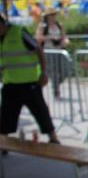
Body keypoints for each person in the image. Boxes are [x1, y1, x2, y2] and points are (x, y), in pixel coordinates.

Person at [0, 14, 59, 143]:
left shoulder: (19, 32)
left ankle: (53, 138)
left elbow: (39, 50)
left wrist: (43, 73)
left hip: (29, 83)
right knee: (5, 116)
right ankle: (3, 143)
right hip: (10, 83)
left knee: (41, 112)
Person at [35, 8, 70, 98]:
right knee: (54, 71)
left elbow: (64, 37)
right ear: (47, 16)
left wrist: (65, 41)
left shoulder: (59, 25)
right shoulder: (43, 26)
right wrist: (49, 37)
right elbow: (37, 38)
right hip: (48, 51)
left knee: (65, 70)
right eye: (51, 15)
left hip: (60, 51)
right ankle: (56, 91)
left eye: (54, 14)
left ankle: (56, 83)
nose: (53, 16)